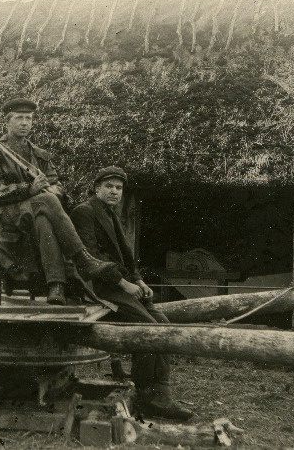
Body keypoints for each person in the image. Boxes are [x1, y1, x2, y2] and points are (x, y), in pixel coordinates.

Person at [70, 166, 194, 422]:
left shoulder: (112, 213)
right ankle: (148, 395)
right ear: (97, 188)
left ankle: (161, 391)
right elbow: (89, 260)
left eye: (119, 188)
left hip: (119, 284)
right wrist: (124, 283)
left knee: (163, 323)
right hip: (97, 288)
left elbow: (125, 256)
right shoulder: (84, 212)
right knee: (147, 329)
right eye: (109, 187)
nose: (115, 192)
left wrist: (137, 278)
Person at [0, 97, 117, 306]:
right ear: (8, 122)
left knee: (44, 215)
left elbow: (57, 185)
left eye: (28, 118)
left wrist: (52, 189)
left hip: (33, 213)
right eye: (19, 118)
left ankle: (56, 286)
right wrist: (29, 189)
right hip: (4, 216)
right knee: (45, 201)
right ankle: (83, 260)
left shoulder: (39, 155)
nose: (25, 123)